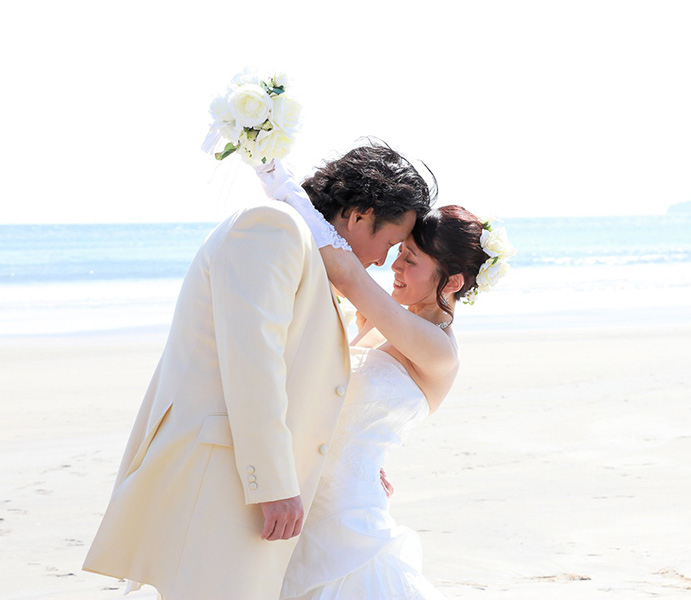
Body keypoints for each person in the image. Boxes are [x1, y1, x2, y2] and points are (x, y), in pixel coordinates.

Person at [81, 142, 434, 600]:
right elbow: (253, 364)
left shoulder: (303, 248)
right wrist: (273, 484)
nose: (384, 260)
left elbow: (305, 377)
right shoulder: (272, 228)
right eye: (388, 243)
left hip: (248, 483)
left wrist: (350, 460)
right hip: (222, 476)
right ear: (360, 215)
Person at [256, 162, 511, 599]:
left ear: (451, 281)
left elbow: (346, 272)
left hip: (347, 519)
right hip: (308, 496)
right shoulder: (378, 319)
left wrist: (279, 181)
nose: (394, 265)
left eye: (410, 259)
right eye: (398, 250)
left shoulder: (438, 349)